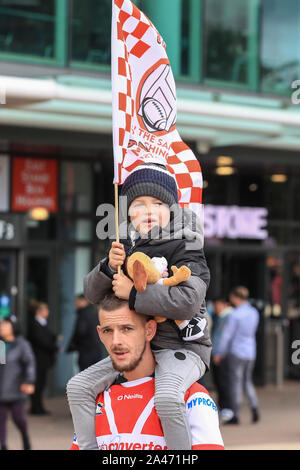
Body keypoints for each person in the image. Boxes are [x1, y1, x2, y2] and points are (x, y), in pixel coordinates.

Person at [67, 162, 212, 450]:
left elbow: (188, 302)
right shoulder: (127, 246)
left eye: (158, 203)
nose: (148, 211)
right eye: (139, 204)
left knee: (169, 397)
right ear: (127, 212)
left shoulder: (188, 246)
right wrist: (108, 268)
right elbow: (91, 294)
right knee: (78, 387)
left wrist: (134, 294)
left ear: (171, 211)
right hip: (138, 349)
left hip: (182, 349)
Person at [70, 294, 224, 450]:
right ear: (100, 334)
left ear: (149, 330)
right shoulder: (92, 397)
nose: (116, 341)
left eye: (127, 329)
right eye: (108, 331)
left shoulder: (191, 396)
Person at [213, 286, 260, 424]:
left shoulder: (235, 315)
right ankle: (254, 407)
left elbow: (227, 336)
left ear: (235, 297)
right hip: (250, 351)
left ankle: (235, 414)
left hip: (236, 351)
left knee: (235, 383)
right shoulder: (253, 312)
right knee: (247, 381)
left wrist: (219, 352)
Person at [0, 315, 36, 450]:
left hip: (17, 388)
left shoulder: (22, 344)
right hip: (1, 389)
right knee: (1, 420)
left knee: (18, 418)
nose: (2, 327)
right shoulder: (1, 344)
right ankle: (3, 445)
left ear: (13, 327)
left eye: (5, 325)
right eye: (1, 325)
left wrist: (29, 381)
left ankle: (25, 437)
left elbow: (30, 364)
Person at [27, 302, 58, 415]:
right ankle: (36, 408)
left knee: (40, 384)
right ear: (39, 312)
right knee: (38, 384)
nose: (47, 313)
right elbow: (41, 341)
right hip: (38, 360)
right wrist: (54, 347)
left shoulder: (42, 324)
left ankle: (38, 407)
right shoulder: (35, 325)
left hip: (43, 360)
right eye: (45, 310)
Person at [67, 294, 105, 371]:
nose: (75, 303)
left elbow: (80, 331)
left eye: (77, 301)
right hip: (97, 349)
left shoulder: (83, 313)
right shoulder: (95, 312)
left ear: (83, 301)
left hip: (86, 350)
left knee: (85, 377)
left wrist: (73, 344)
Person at [211, 297, 233, 423]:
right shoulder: (222, 316)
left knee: (223, 382)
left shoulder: (227, 316)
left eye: (218, 305)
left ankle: (226, 409)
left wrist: (219, 353)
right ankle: (224, 409)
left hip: (222, 355)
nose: (216, 308)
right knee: (219, 382)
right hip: (219, 354)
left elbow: (224, 337)